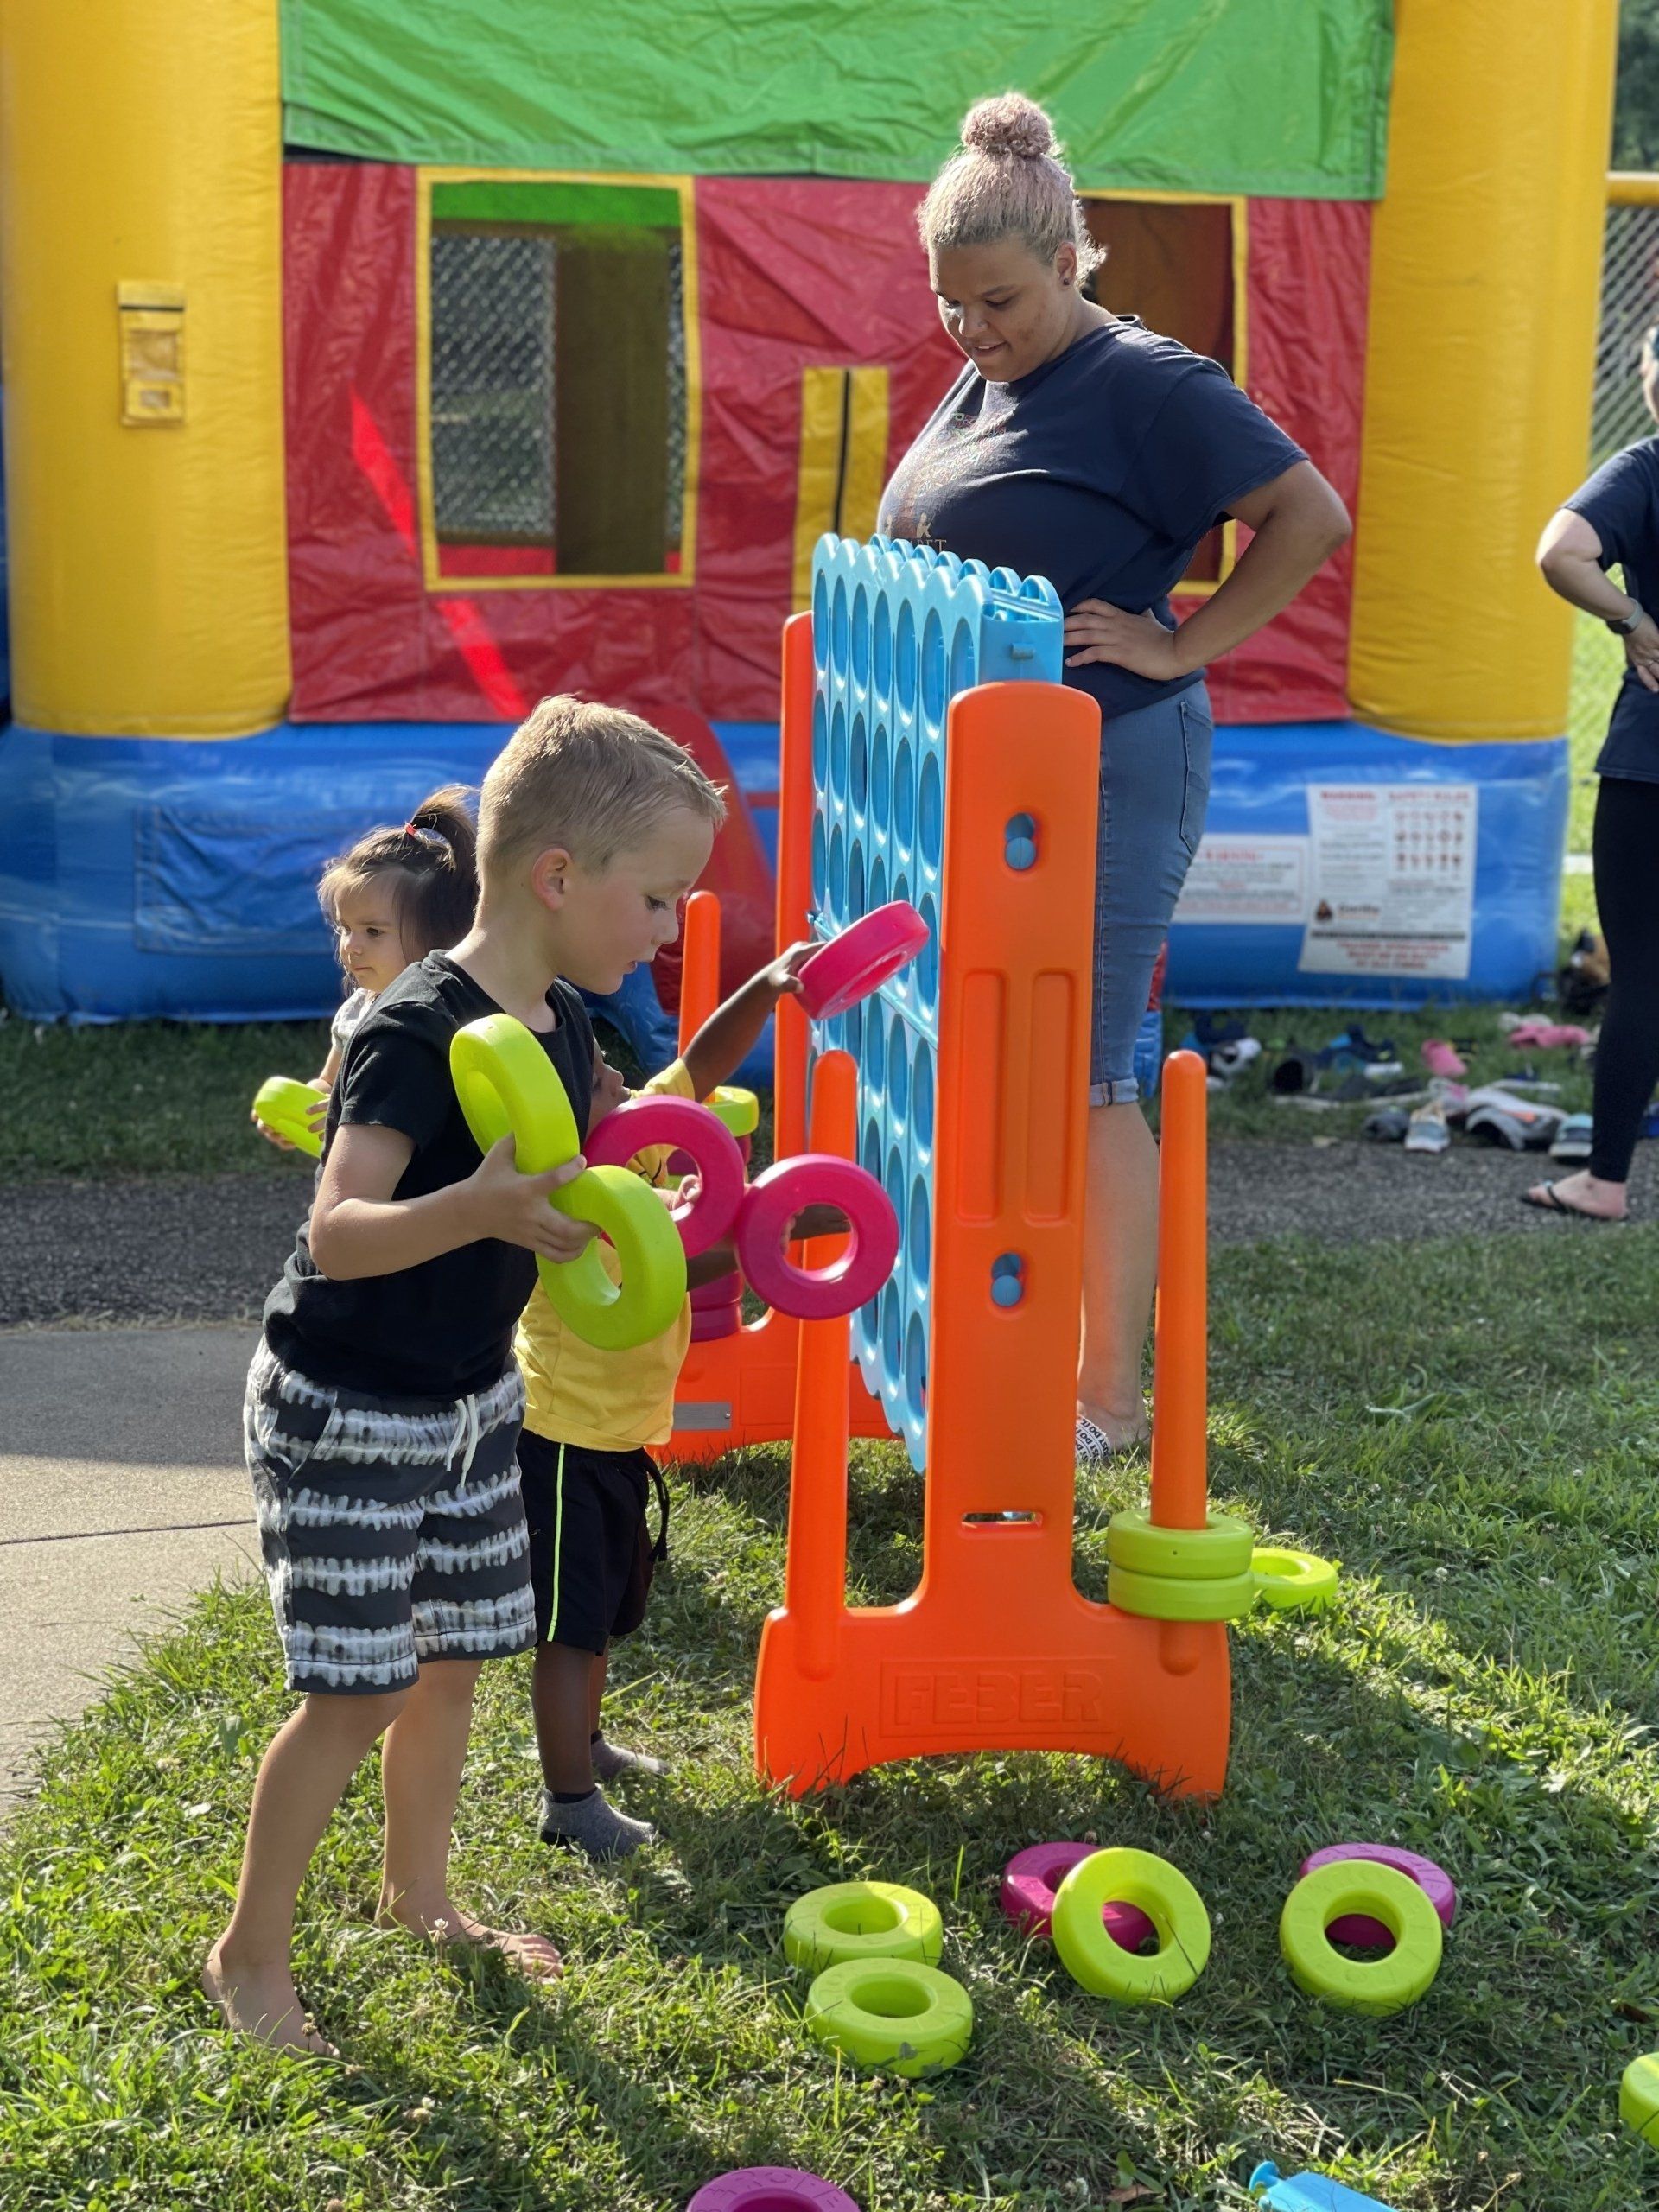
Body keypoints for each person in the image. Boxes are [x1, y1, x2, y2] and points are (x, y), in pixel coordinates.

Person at [202, 697, 726, 2053]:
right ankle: (248, 1955)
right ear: (561, 878)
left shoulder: (559, 1024)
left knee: (449, 1664)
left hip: (469, 1399)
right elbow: (338, 1229)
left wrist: (645, 1196)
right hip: (344, 1403)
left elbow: (610, 1152)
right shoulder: (414, 1028)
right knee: (359, 1689)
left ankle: (417, 1897)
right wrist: (480, 1211)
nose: (666, 928)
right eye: (659, 898)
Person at [878, 92, 1351, 1459]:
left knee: (1090, 1077)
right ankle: (989, 1332)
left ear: (1074, 261)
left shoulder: (1150, 383)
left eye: (1004, 303)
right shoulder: (990, 373)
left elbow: (1306, 516)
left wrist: (1177, 639)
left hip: (1111, 767)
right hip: (988, 777)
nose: (974, 330)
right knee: (998, 1062)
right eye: (953, 305)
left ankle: (1106, 1401)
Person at [518, 941, 842, 1860]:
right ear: (551, 1125)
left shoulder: (635, 1141)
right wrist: (794, 1221)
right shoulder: (565, 1209)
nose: (616, 1072)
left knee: (611, 1609)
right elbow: (693, 1262)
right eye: (594, 1077)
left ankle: (588, 1746)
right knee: (568, 1627)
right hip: (561, 1441)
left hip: (618, 1437)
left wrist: (768, 985)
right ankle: (567, 1798)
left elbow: (700, 1061)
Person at [1528, 327, 1659, 1222]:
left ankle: (1604, 1180)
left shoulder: (1646, 467)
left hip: (1652, 759)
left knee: (1645, 971)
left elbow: (1560, 551)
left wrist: (1632, 618)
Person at [252, 787, 480, 1154]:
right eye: (345, 928)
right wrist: (300, 1110)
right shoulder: (356, 1012)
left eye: (373, 931)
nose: (350, 945)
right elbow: (330, 1083)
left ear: (437, 936)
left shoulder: (452, 1019)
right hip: (350, 1177)